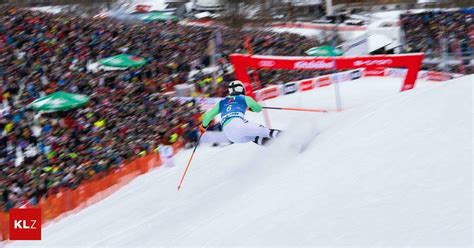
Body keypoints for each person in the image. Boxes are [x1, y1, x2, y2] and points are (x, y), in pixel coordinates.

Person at [200, 80, 280, 146]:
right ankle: (288, 138)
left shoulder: (222, 102)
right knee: (265, 131)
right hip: (238, 124)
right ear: (241, 89)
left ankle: (274, 147)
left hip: (229, 135)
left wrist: (203, 127)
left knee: (254, 136)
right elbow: (258, 109)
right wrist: (251, 108)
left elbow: (207, 116)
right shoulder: (244, 98)